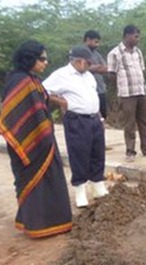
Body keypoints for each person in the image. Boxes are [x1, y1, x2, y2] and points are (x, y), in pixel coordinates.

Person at [0, 40, 73, 238]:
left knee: (50, 180)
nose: (46, 62)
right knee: (32, 182)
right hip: (27, 141)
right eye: (42, 59)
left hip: (44, 137)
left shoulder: (33, 79)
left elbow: (42, 101)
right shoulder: (19, 81)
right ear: (29, 58)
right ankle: (36, 225)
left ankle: (54, 222)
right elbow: (13, 115)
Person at [43, 46, 109, 208]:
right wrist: (62, 102)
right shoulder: (61, 75)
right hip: (77, 119)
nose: (89, 66)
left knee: (97, 152)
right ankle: (80, 190)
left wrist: (100, 117)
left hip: (94, 119)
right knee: (79, 154)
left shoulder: (88, 76)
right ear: (78, 61)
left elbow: (93, 96)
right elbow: (42, 90)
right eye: (88, 63)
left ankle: (98, 185)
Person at [107, 24, 146, 161]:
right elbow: (111, 75)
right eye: (135, 36)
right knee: (129, 123)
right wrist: (122, 84)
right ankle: (130, 151)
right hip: (127, 94)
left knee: (145, 122)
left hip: (141, 91)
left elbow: (143, 70)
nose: (137, 39)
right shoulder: (114, 53)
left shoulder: (138, 52)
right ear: (127, 35)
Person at [83, 30, 108, 120]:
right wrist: (95, 67)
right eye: (95, 42)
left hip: (100, 89)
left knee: (102, 117)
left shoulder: (97, 54)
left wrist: (94, 67)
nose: (97, 45)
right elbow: (82, 68)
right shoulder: (80, 52)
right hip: (87, 91)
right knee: (91, 117)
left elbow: (106, 68)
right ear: (88, 40)